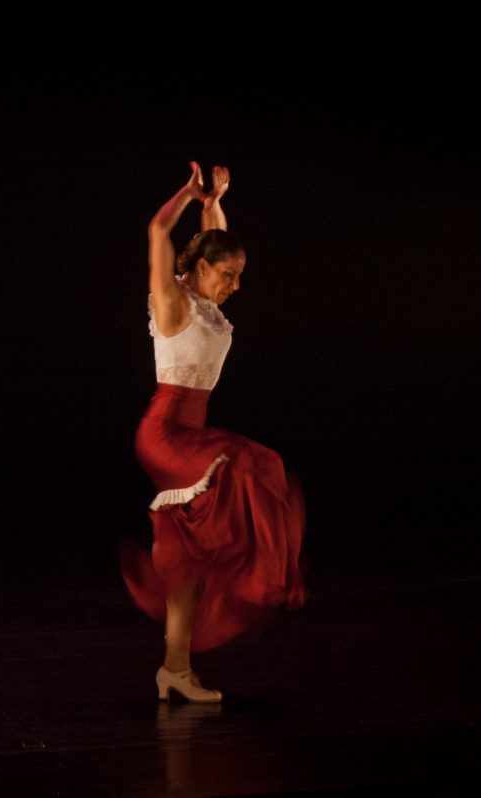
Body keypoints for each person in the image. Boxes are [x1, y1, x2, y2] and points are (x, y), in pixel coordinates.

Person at [122, 164, 306, 702]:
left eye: (239, 276)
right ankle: (268, 574)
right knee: (251, 461)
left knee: (191, 560)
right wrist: (185, 192)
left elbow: (215, 237)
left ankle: (174, 669)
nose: (235, 285)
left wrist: (214, 201)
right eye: (228, 275)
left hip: (191, 437)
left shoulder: (207, 302)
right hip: (166, 434)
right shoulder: (174, 302)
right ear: (201, 270)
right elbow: (159, 233)